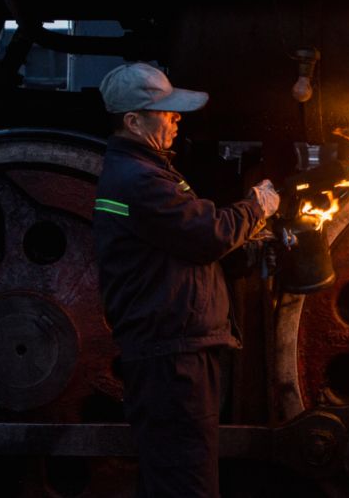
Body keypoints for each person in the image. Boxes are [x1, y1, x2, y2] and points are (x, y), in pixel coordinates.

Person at [92, 62, 279, 497]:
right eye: (166, 112)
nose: (177, 118)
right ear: (133, 121)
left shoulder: (141, 172)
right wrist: (256, 207)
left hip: (171, 351)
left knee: (175, 476)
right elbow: (206, 233)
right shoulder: (140, 180)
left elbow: (178, 244)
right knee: (186, 483)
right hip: (172, 359)